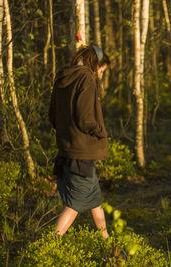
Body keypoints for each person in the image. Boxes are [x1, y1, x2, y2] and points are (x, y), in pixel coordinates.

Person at [48, 45, 110, 238]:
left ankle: (106, 242)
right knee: (74, 203)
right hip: (81, 152)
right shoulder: (86, 78)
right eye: (101, 70)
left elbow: (52, 116)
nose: (100, 74)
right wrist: (100, 131)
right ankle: (50, 242)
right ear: (95, 63)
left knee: (94, 200)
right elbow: (85, 118)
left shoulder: (63, 78)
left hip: (67, 149)